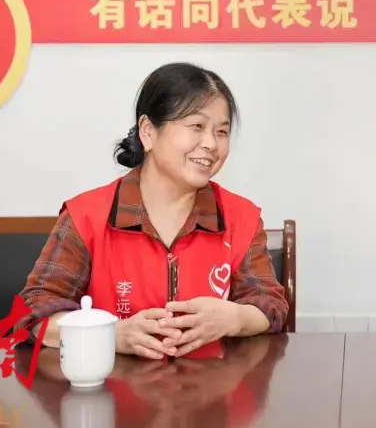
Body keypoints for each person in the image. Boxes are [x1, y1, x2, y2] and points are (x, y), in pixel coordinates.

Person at [17, 62, 289, 359]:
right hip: (113, 385)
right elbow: (34, 313)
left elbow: (270, 305)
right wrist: (110, 335)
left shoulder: (241, 218)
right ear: (148, 131)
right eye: (197, 126)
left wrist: (234, 317)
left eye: (221, 131)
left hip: (212, 384)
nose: (211, 144)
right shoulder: (86, 217)